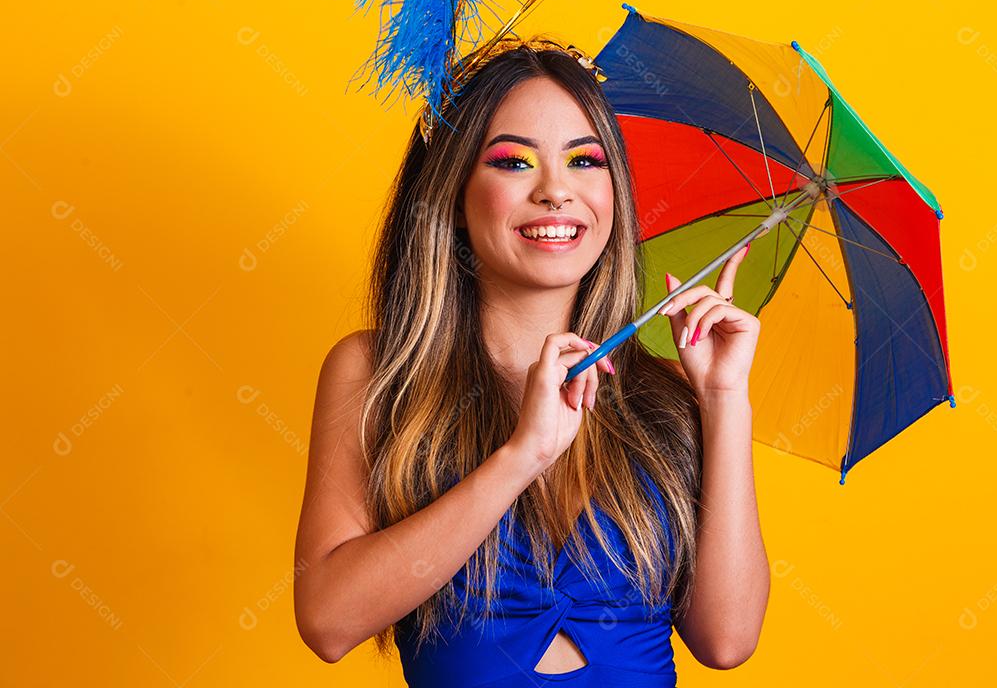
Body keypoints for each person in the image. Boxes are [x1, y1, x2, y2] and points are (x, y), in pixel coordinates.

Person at [293, 41, 769, 686]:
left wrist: (722, 398)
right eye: (514, 162)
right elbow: (328, 620)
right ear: (453, 194)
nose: (556, 191)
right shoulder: (380, 372)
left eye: (585, 160)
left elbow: (727, 640)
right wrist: (522, 455)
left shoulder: (665, 394)